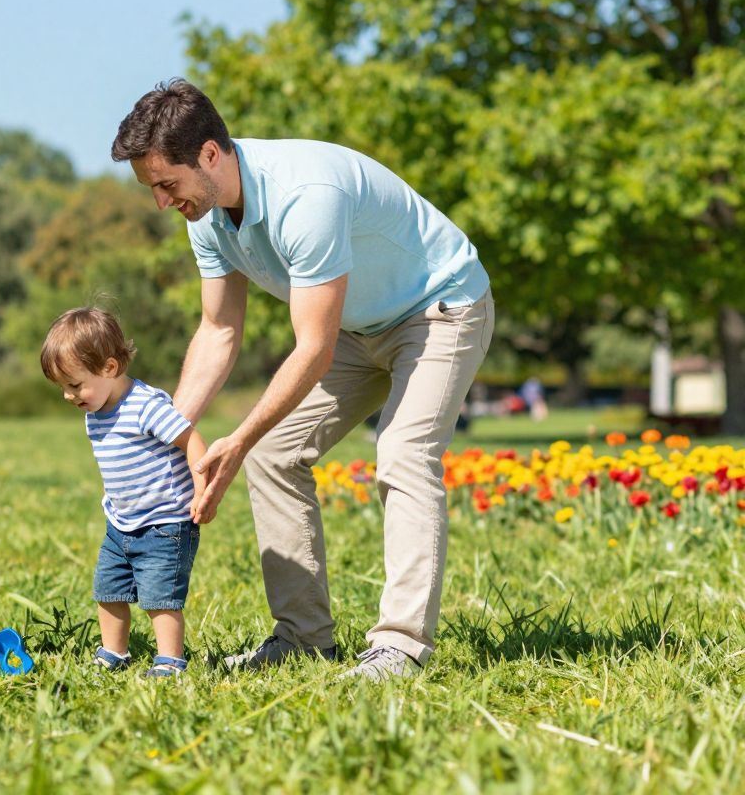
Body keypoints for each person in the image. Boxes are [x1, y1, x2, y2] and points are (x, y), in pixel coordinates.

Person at [112, 80, 494, 682]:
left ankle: (401, 646)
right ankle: (303, 639)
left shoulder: (304, 195)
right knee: (272, 454)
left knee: (401, 452)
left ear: (210, 154)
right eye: (152, 188)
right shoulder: (205, 213)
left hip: (438, 308)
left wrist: (232, 440)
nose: (161, 202)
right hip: (353, 327)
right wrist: (159, 440)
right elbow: (218, 331)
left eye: (167, 184)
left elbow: (312, 348)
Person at [40, 306, 209, 677]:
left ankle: (170, 659)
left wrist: (202, 490)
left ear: (110, 368)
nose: (69, 396)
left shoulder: (146, 406)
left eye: (74, 385)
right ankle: (114, 652)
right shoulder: (94, 407)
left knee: (160, 598)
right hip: (120, 523)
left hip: (165, 522)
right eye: (62, 388)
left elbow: (192, 440)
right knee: (109, 590)